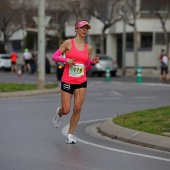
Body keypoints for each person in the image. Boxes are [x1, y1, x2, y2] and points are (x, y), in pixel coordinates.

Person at [52, 19, 99, 144]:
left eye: (87, 28)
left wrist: (92, 63)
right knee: (66, 109)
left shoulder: (88, 48)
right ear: (76, 29)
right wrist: (66, 60)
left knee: (77, 108)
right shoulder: (68, 43)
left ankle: (70, 135)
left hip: (81, 80)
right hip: (68, 80)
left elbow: (87, 66)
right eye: (83, 27)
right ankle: (59, 112)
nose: (85, 30)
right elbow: (54, 56)